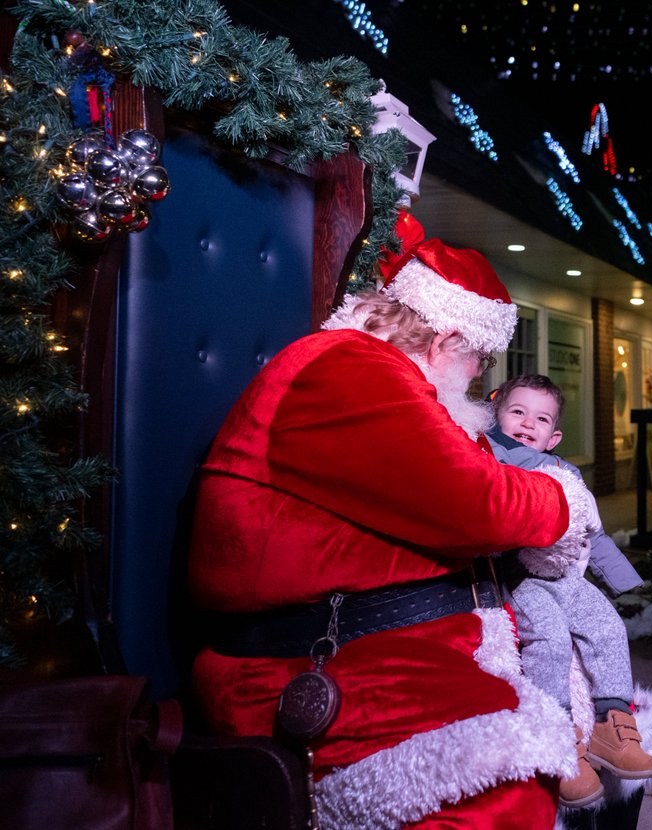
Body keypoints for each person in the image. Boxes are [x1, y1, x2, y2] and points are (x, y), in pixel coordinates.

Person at [186, 229, 603, 828]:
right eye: (478, 359)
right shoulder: (349, 369)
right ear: (448, 339)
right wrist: (565, 497)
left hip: (387, 643)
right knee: (499, 794)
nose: (477, 375)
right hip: (322, 663)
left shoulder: (391, 379)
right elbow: (476, 502)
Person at [485, 374, 652, 808]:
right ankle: (558, 739)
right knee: (550, 639)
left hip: (565, 577)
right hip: (521, 575)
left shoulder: (566, 471)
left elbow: (592, 533)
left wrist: (622, 579)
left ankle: (612, 724)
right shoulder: (489, 455)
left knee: (607, 627)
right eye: (517, 411)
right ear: (496, 414)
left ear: (554, 435)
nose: (527, 423)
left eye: (540, 418)